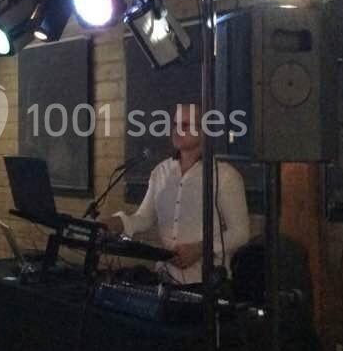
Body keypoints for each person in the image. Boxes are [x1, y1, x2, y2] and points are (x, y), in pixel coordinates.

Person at [105, 101, 251, 285]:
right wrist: (119, 222)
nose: (177, 130)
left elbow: (241, 232)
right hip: (164, 279)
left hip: (206, 285)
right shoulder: (161, 172)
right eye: (175, 124)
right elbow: (144, 218)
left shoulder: (225, 176)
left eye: (185, 125)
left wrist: (200, 249)